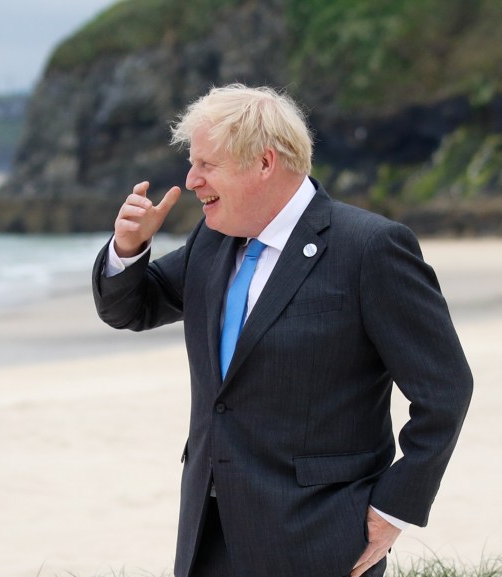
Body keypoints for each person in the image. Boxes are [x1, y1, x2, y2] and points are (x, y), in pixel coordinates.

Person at [92, 84, 472, 577]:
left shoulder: (370, 248)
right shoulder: (212, 240)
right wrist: (127, 249)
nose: (191, 180)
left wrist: (394, 508)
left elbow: (445, 389)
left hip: (320, 539)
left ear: (264, 162)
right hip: (208, 533)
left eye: (207, 164)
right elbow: (133, 309)